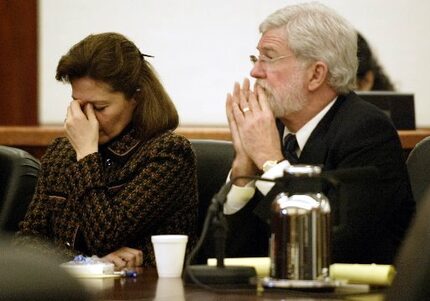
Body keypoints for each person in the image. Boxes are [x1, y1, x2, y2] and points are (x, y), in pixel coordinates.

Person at [224, 2, 415, 264]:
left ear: (316, 74)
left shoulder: (367, 133)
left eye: (268, 57)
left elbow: (330, 248)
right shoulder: (271, 129)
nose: (255, 71)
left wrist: (270, 161)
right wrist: (242, 173)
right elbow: (220, 260)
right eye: (256, 58)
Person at [15, 32, 198, 268]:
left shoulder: (168, 154)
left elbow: (105, 235)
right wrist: (82, 262)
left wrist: (86, 156)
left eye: (100, 107)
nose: (87, 118)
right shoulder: (62, 151)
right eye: (79, 105)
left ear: (136, 98)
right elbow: (28, 240)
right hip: (70, 289)